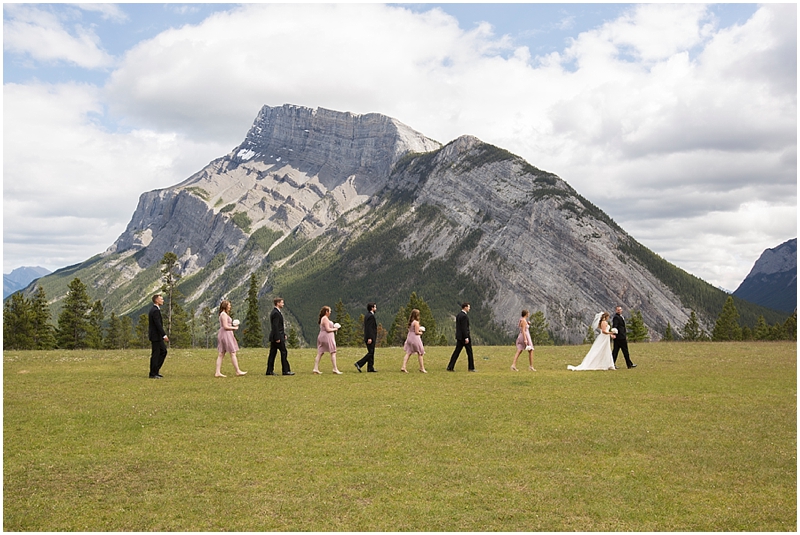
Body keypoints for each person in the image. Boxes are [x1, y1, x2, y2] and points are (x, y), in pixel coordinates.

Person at [215, 300, 246, 377]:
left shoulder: (223, 314)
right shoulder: (224, 315)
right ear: (225, 306)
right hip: (226, 334)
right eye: (229, 305)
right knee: (232, 352)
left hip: (224, 334)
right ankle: (237, 371)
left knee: (221, 354)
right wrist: (234, 328)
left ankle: (217, 372)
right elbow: (225, 326)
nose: (230, 306)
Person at [266, 297, 294, 376]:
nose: (283, 304)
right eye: (282, 302)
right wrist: (278, 337)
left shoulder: (276, 312)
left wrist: (283, 334)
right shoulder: (276, 313)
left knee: (272, 353)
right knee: (284, 352)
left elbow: (279, 326)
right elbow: (275, 326)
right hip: (277, 337)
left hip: (276, 336)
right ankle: (285, 370)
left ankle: (269, 370)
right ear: (277, 303)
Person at [447, 303, 475, 372]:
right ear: (465, 307)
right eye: (468, 307)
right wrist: (466, 337)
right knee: (469, 352)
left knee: (456, 352)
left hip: (459, 337)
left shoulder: (459, 315)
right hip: (464, 337)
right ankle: (471, 367)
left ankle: (450, 367)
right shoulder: (464, 316)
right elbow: (464, 328)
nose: (469, 308)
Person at [314, 306, 342, 374]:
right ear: (326, 312)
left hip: (322, 336)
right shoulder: (325, 319)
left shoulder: (323, 318)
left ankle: (315, 368)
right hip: (327, 337)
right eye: (329, 311)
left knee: (320, 352)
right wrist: (335, 329)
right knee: (333, 352)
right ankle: (335, 368)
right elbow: (328, 329)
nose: (330, 313)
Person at [148, 294, 169, 379]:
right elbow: (158, 325)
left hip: (156, 336)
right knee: (157, 354)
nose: (163, 300)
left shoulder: (154, 310)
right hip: (156, 336)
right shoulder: (155, 310)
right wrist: (164, 335)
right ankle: (153, 373)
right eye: (161, 299)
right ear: (157, 300)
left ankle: (155, 371)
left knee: (162, 351)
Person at [401, 308, 427, 373]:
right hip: (415, 338)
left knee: (408, 353)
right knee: (420, 352)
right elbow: (416, 332)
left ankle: (403, 366)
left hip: (409, 337)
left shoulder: (411, 322)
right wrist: (421, 332)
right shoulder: (416, 322)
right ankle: (422, 368)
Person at [355, 302, 378, 372]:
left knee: (371, 352)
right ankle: (359, 363)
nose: (376, 308)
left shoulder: (367, 315)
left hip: (368, 336)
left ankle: (370, 367)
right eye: (375, 307)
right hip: (370, 337)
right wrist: (370, 338)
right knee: (371, 352)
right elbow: (370, 328)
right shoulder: (371, 316)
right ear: (372, 308)